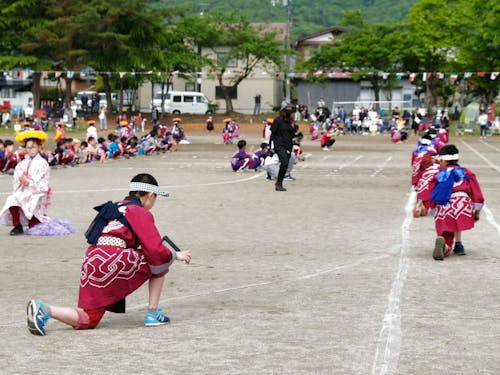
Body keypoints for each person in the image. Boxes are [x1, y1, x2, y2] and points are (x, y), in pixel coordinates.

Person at [26, 173, 192, 336]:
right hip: (113, 257)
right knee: (160, 260)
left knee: (89, 319)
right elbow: (155, 250)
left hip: (92, 258)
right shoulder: (139, 211)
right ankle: (153, 313)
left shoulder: (115, 206)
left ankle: (45, 309)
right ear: (150, 195)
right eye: (155, 197)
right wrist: (174, 255)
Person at [429, 145, 484, 260]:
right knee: (456, 220)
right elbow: (477, 194)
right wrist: (476, 212)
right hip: (462, 203)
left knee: (445, 228)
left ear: (443, 160)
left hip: (444, 204)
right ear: (457, 159)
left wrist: (433, 208)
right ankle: (458, 244)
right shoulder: (466, 173)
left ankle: (446, 247)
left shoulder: (439, 174)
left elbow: (433, 192)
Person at [0, 130, 50, 235]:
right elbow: (17, 176)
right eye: (28, 147)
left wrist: (28, 181)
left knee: (34, 227)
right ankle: (17, 226)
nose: (31, 150)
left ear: (39, 147)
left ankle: (36, 220)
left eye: (33, 147)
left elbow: (40, 180)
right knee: (12, 199)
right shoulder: (22, 163)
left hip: (36, 191)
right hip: (23, 190)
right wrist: (20, 180)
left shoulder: (42, 163)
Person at [270, 104, 295, 191]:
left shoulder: (291, 121)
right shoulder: (278, 120)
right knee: (284, 162)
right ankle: (279, 183)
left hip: (288, 145)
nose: (288, 112)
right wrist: (270, 147)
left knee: (285, 164)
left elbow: (292, 134)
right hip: (279, 145)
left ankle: (279, 181)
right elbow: (272, 134)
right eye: (287, 110)